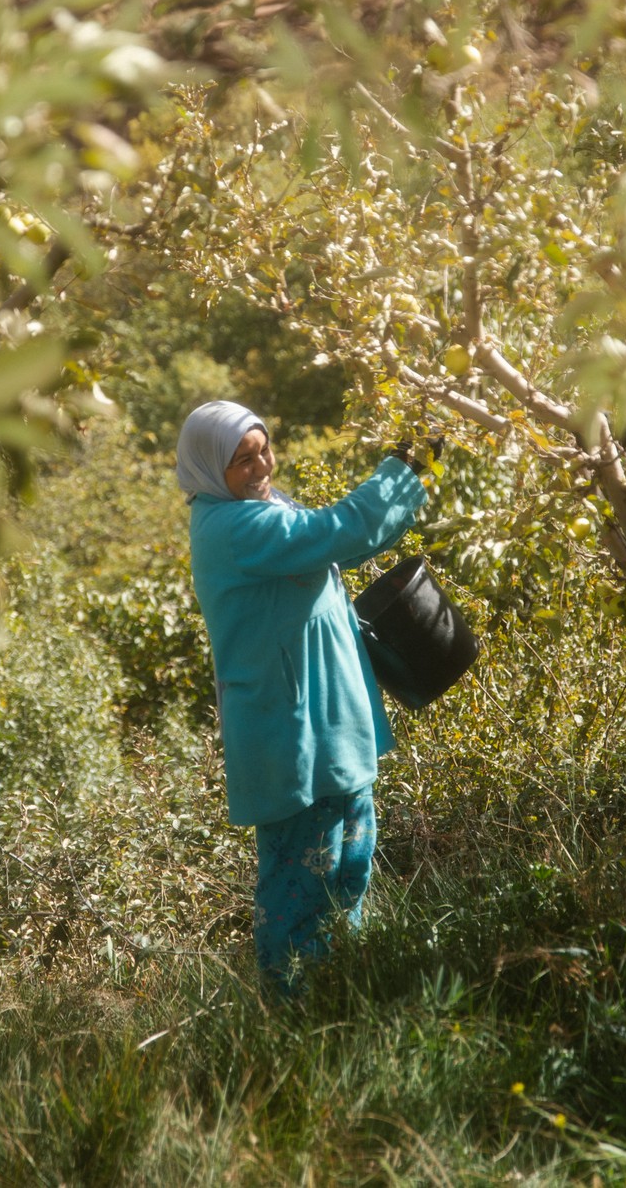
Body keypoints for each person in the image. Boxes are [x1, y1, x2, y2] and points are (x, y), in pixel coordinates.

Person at [175, 399, 429, 992]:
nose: (260, 465)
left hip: (329, 724)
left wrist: (406, 476)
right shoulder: (233, 527)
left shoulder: (263, 507)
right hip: (293, 734)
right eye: (242, 460)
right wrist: (399, 469)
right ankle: (291, 1014)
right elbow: (329, 532)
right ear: (211, 469)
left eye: (263, 447)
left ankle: (344, 994)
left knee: (349, 870)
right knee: (299, 887)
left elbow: (334, 546)